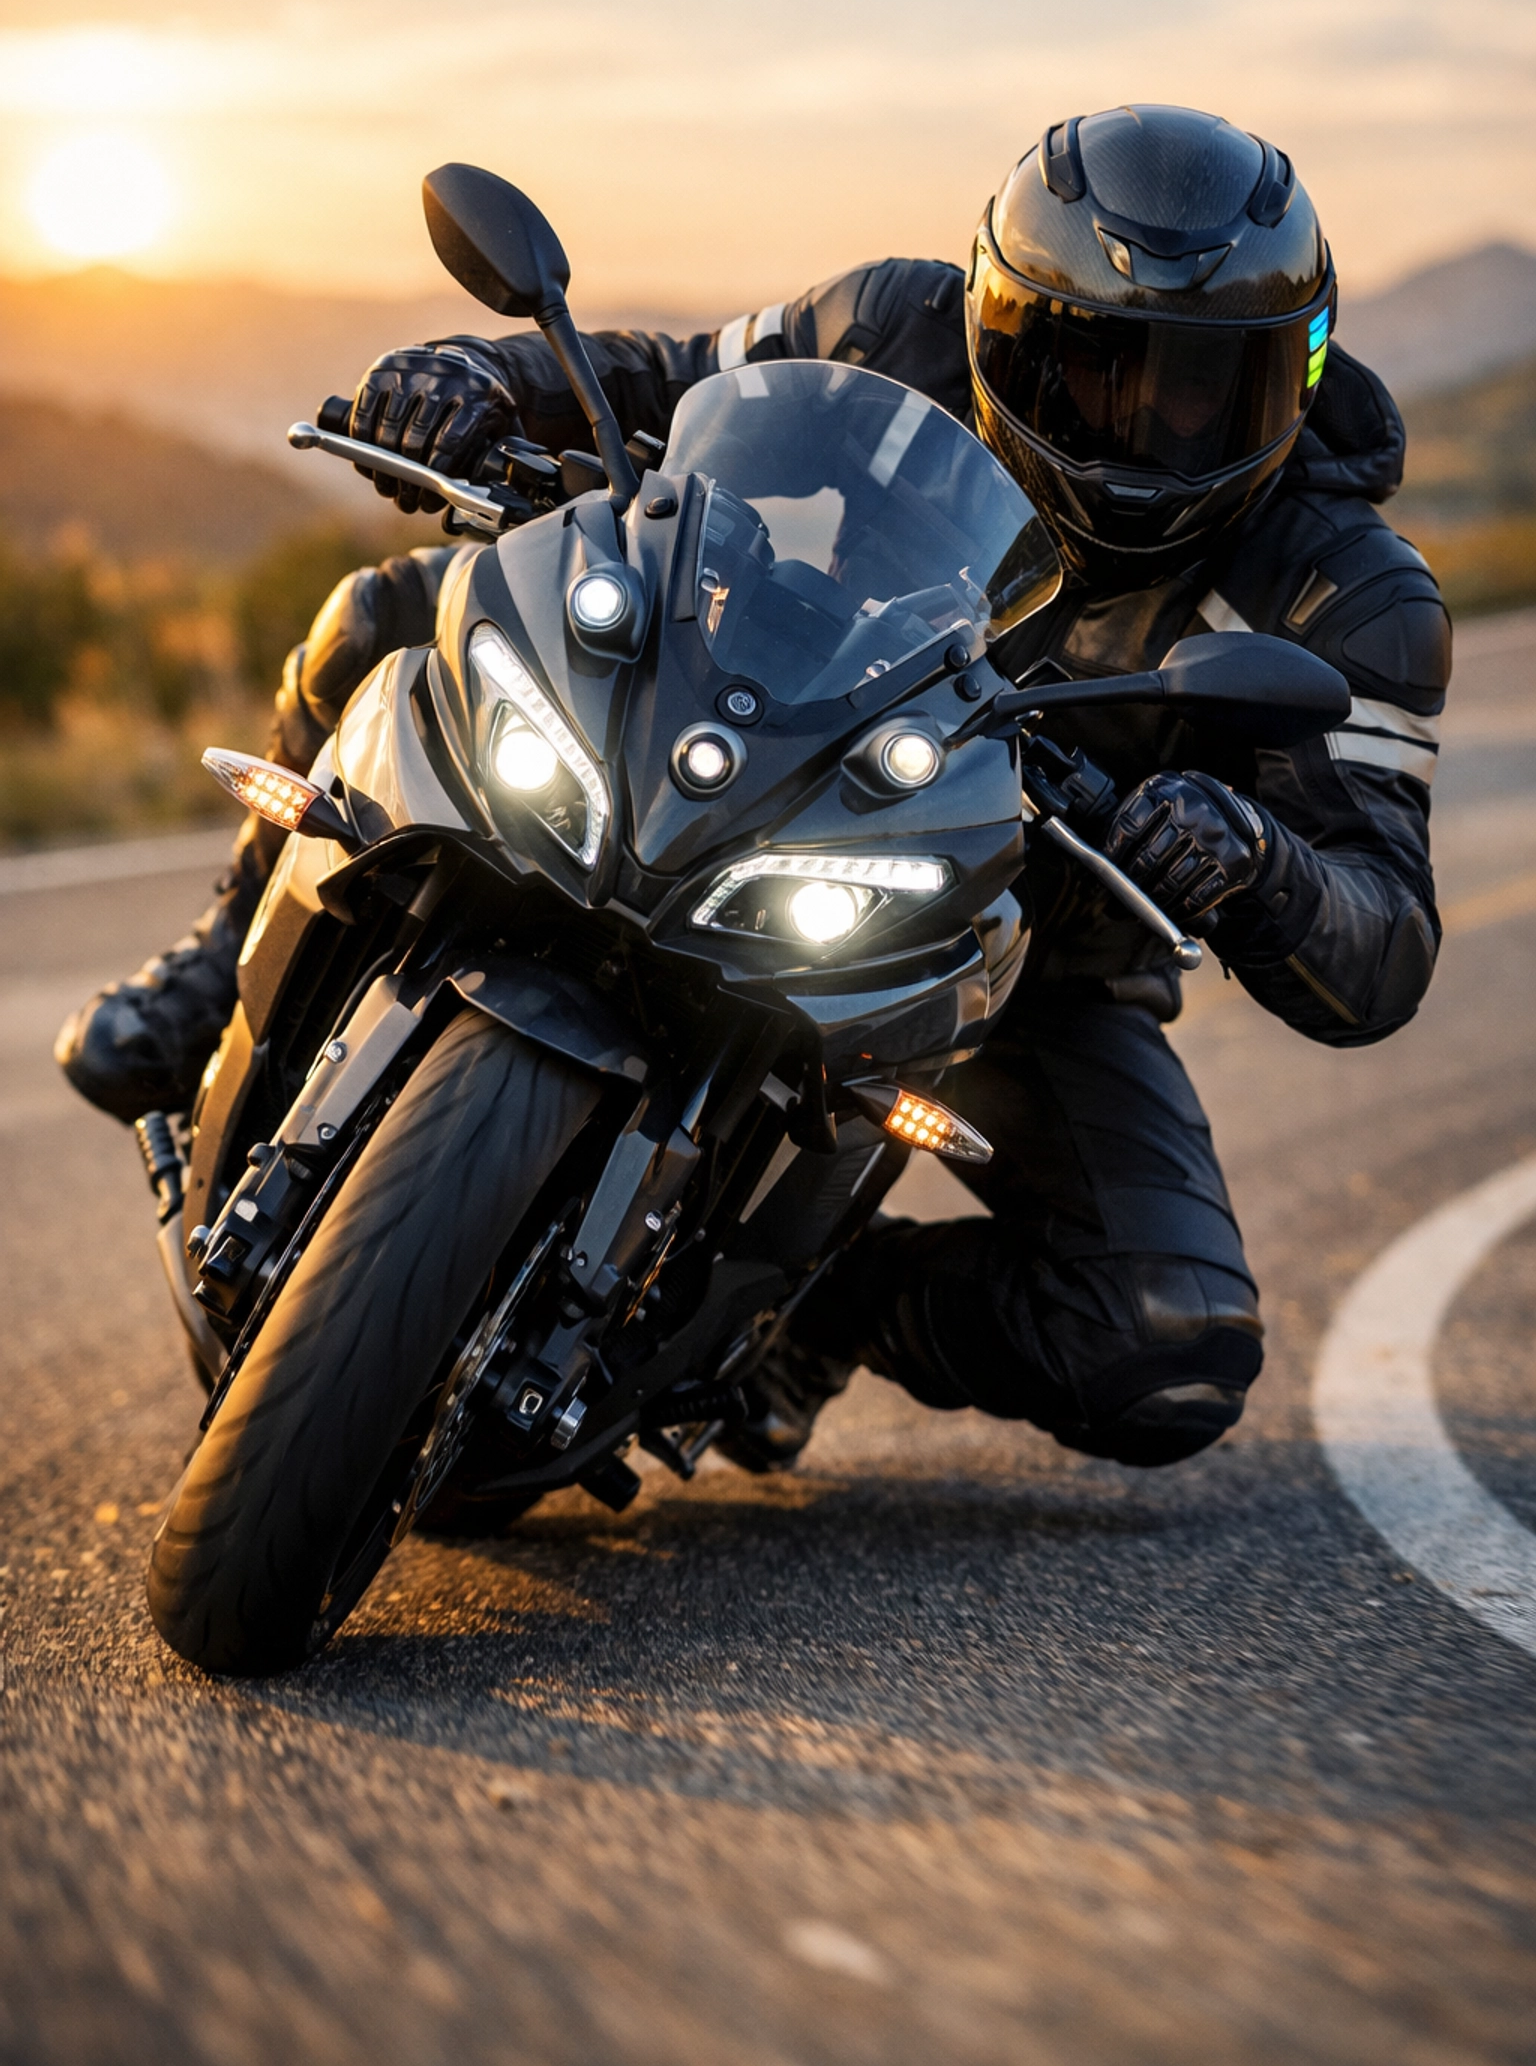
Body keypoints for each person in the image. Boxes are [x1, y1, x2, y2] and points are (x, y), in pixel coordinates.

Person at [57, 104, 1448, 1473]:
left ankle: (800, 1297)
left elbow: (1380, 936)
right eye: (1100, 371)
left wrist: (1259, 863)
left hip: (1023, 944)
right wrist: (490, 383)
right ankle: (212, 967)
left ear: (1296, 379)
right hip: (773, 735)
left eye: (1207, 386)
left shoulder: (1352, 594)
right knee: (396, 612)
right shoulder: (894, 326)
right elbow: (669, 386)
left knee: (1166, 1339)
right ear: (1002, 330)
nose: (1153, 425)